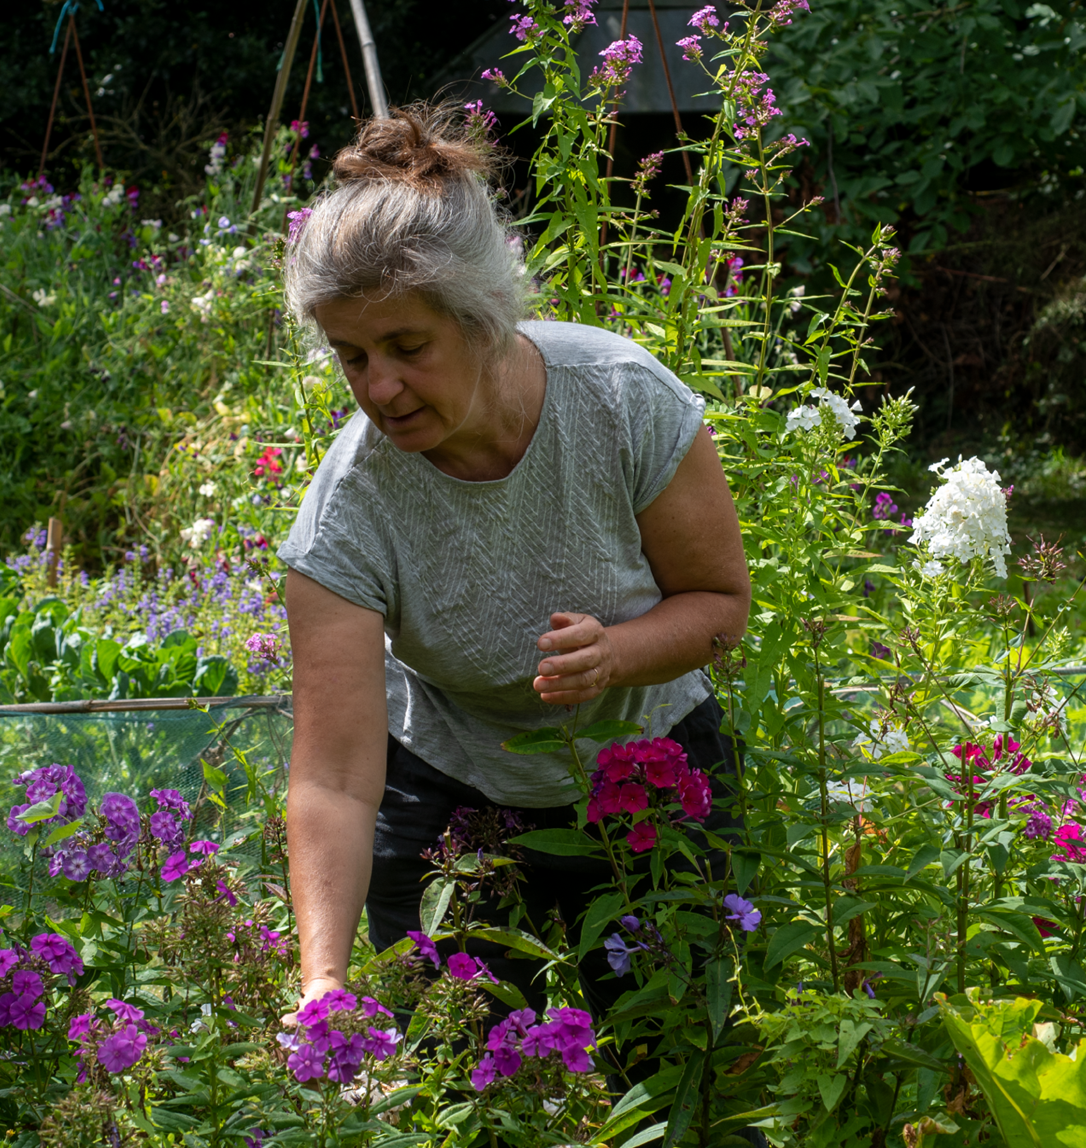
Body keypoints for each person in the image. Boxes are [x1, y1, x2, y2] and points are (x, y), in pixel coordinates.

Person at [279, 105, 750, 1015]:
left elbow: (719, 602)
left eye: (408, 347)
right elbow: (334, 779)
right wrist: (323, 983)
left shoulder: (622, 401)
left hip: (651, 769)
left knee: (678, 1072)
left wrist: (621, 653)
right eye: (352, 357)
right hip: (451, 800)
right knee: (467, 1102)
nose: (380, 387)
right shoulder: (347, 513)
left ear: (483, 317)